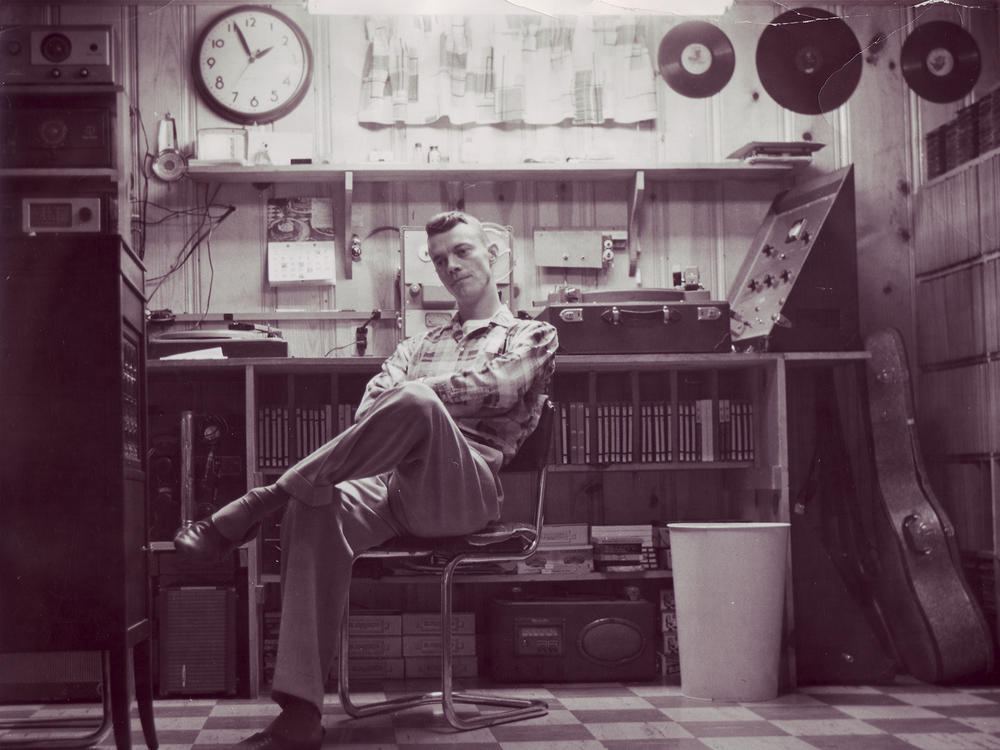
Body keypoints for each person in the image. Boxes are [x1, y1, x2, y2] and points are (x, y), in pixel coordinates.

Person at [173, 210, 558, 750]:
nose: (451, 266)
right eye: (441, 259)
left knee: (417, 398)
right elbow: (369, 411)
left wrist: (419, 397)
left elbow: (499, 387)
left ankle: (263, 498)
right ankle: (301, 713)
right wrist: (409, 401)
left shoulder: (533, 334)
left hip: (465, 485)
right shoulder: (414, 344)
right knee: (316, 502)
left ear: (494, 256)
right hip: (390, 484)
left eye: (463, 252)